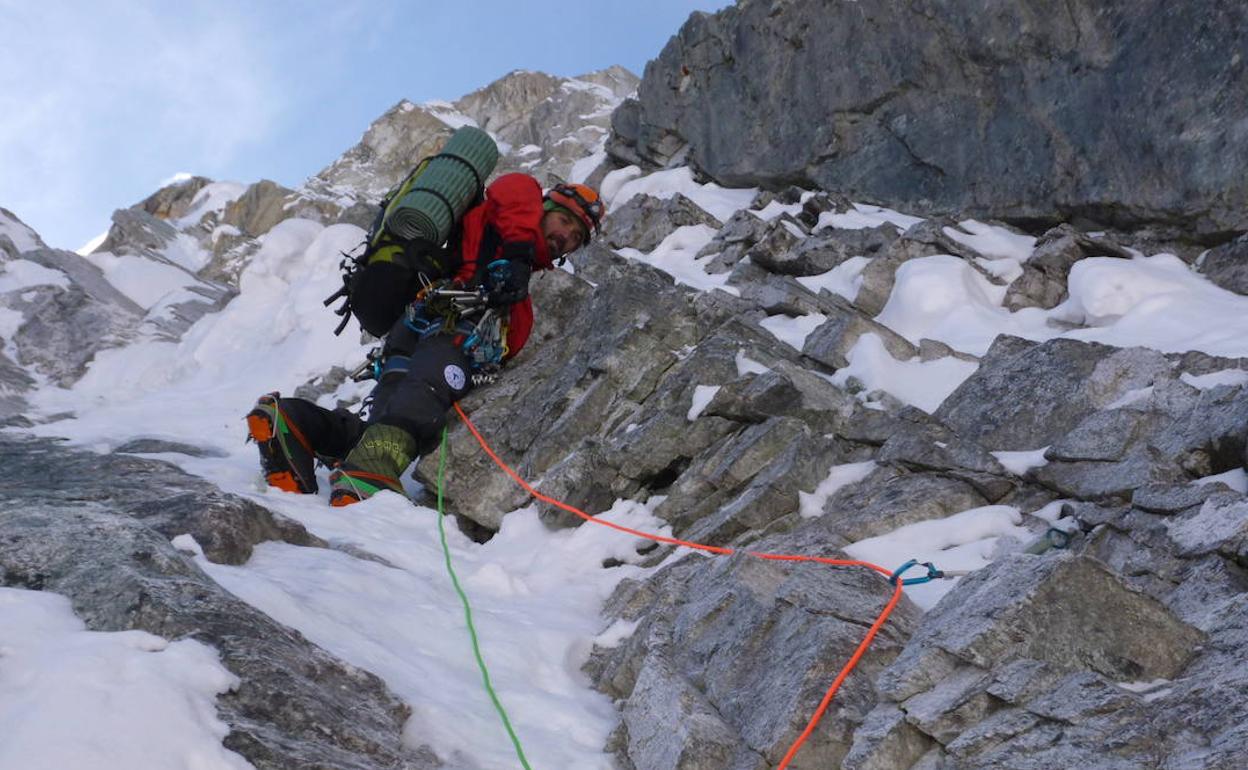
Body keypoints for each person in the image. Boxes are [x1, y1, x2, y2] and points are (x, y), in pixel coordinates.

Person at [245, 174, 604, 506]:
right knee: (425, 397)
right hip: (455, 326)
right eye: (565, 221)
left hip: (416, 326)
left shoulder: (520, 270)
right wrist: (518, 255)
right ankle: (371, 472)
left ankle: (295, 422)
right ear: (545, 207)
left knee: (384, 418)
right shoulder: (516, 211)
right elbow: (513, 191)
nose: (565, 238)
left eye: (575, 238)